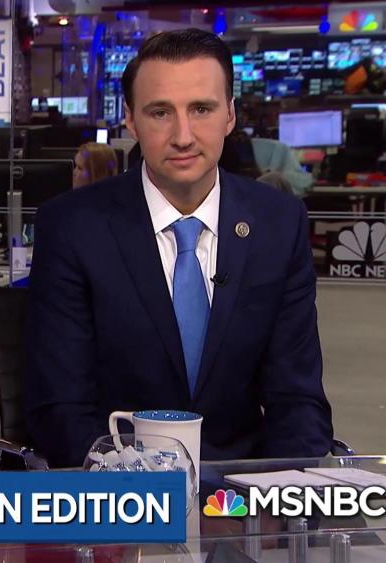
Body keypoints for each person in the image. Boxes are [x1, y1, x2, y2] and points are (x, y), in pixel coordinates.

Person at [25, 29, 332, 468]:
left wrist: (280, 494)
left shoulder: (278, 223)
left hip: (242, 488)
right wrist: (143, 490)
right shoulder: (72, 227)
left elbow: (297, 400)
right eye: (160, 112)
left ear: (230, 115)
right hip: (120, 485)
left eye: (201, 109)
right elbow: (60, 409)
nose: (183, 136)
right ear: (130, 120)